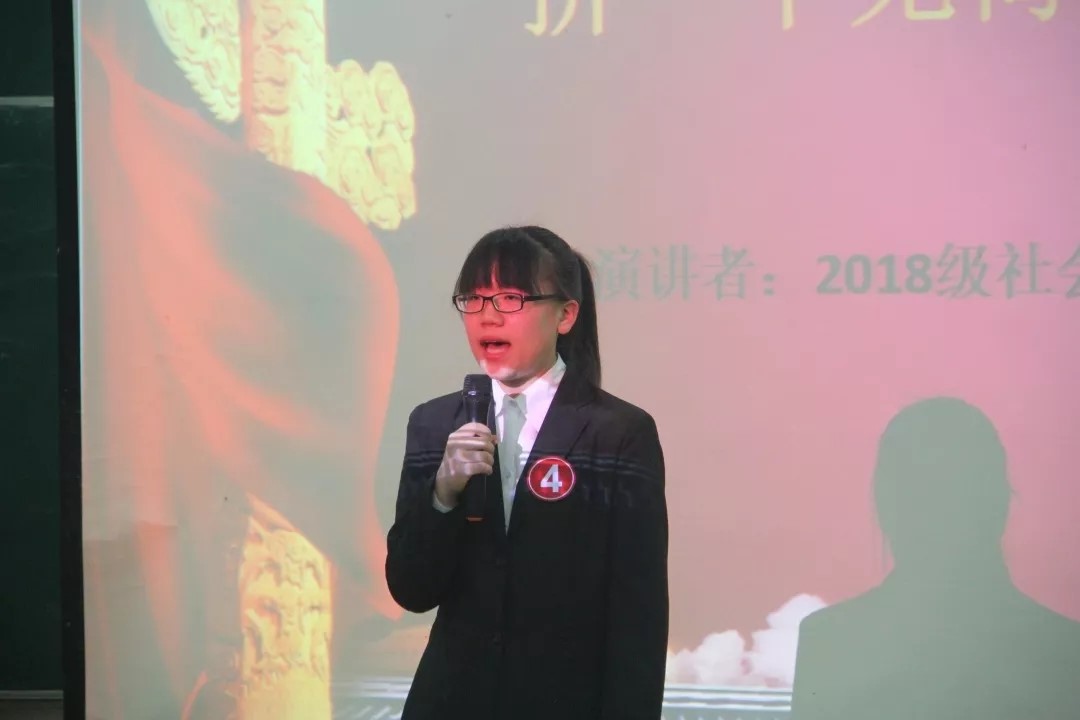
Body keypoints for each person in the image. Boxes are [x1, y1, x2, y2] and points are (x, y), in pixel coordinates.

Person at [384, 225, 670, 720]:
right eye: (474, 299)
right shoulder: (434, 423)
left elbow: (638, 615)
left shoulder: (619, 432)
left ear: (566, 314)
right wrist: (443, 495)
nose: (488, 315)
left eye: (511, 299)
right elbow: (411, 590)